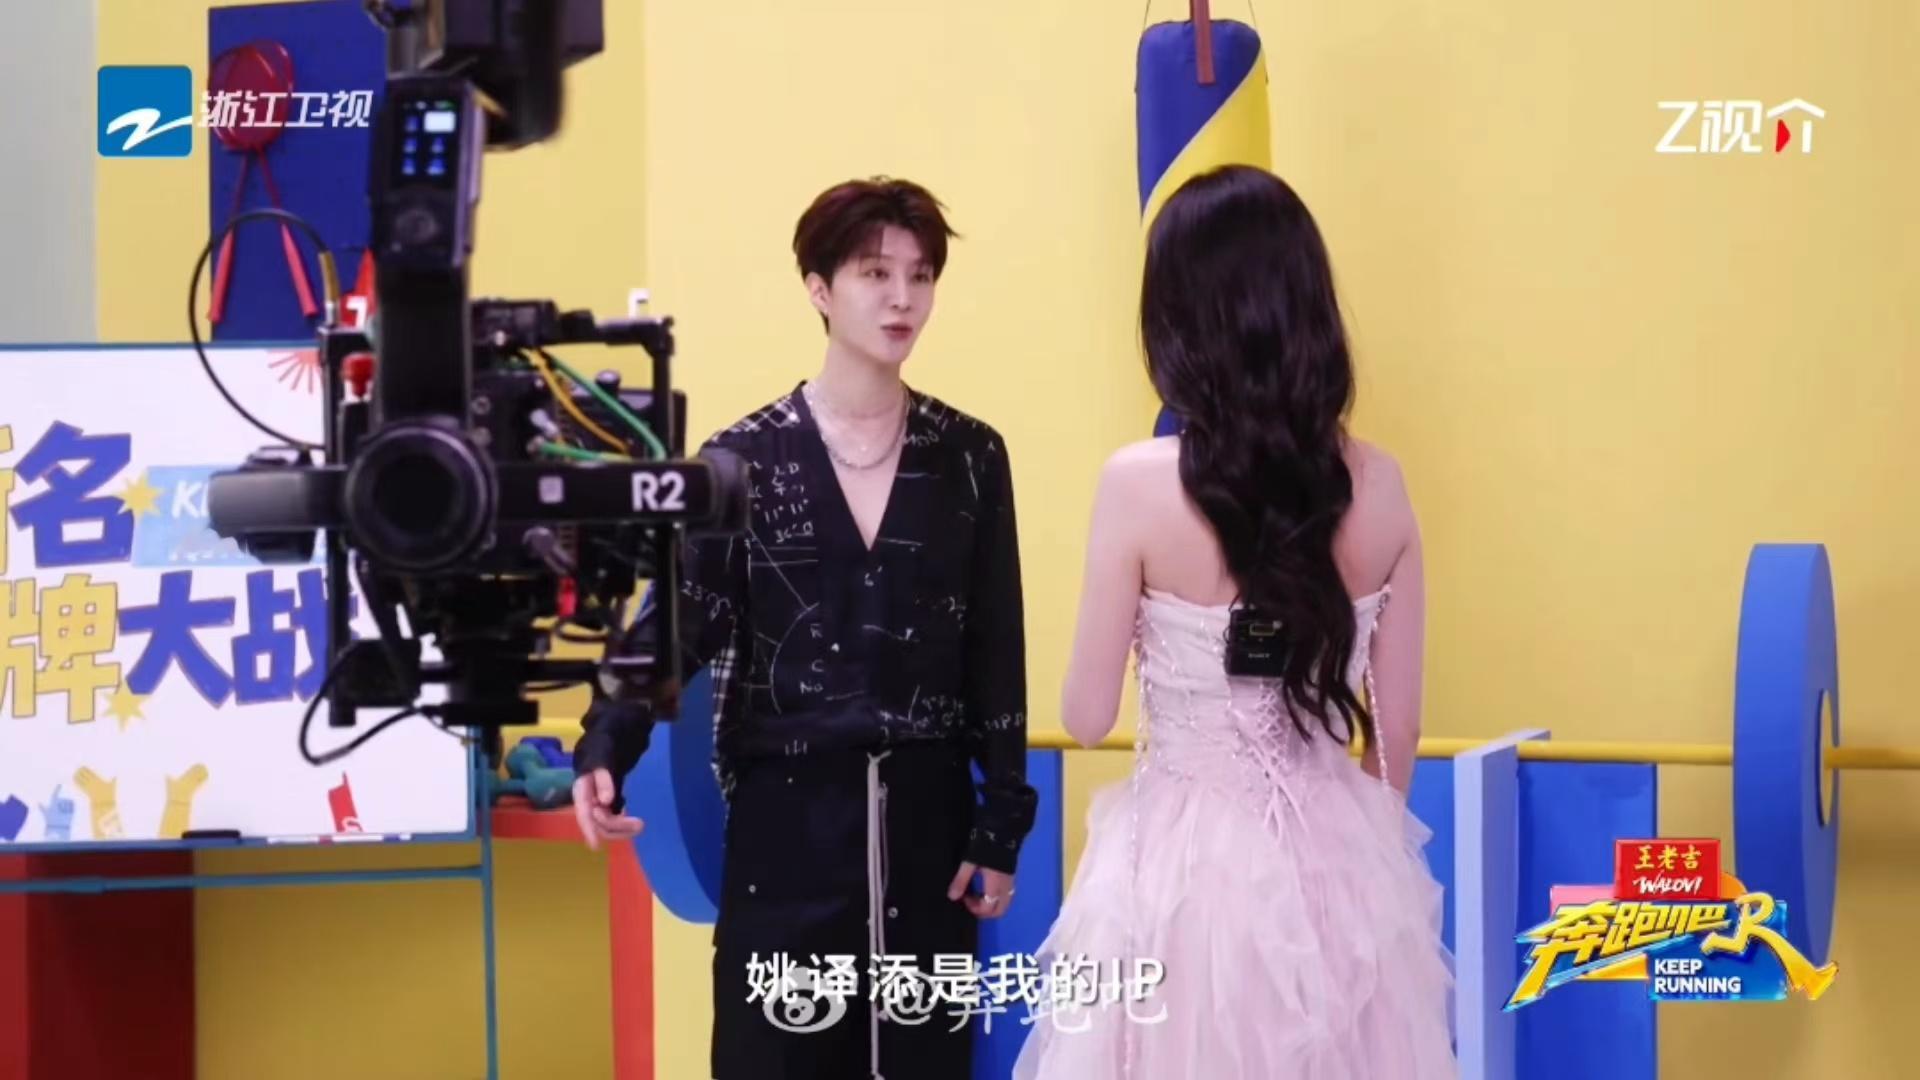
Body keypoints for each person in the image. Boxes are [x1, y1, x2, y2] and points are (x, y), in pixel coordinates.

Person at [571, 176, 1039, 1080]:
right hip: (785, 836)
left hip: (928, 834)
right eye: (875, 273)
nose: (902, 299)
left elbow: (996, 649)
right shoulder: (741, 460)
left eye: (920, 275)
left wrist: (1000, 825)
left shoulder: (970, 457)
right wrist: (604, 746)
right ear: (820, 288)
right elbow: (676, 626)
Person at [1012, 165, 1456, 1078]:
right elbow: (1398, 732)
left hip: (1176, 875)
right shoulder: (1382, 486)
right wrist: (1358, 864)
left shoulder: (1135, 485)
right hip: (1338, 867)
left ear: (1178, 320)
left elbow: (1086, 717)